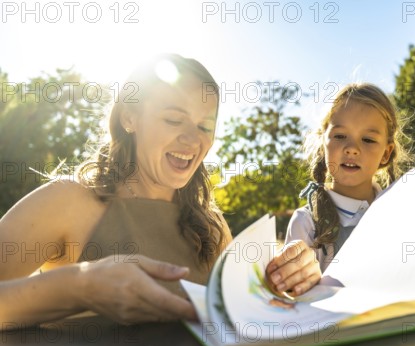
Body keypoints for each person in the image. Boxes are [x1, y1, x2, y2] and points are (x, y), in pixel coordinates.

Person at [0, 53, 319, 328]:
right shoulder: (67, 200)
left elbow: (244, 312)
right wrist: (79, 287)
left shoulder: (211, 225)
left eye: (205, 127)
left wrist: (288, 278)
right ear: (129, 117)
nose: (193, 140)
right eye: (173, 119)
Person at [277, 83, 415, 280]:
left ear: (386, 153)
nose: (352, 148)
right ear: (323, 143)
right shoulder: (306, 224)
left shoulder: (401, 219)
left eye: (368, 140)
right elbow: (295, 295)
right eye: (340, 136)